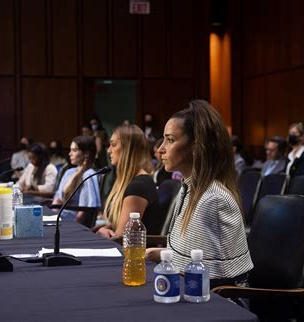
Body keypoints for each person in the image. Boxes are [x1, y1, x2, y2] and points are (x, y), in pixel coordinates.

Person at [146, 100, 253, 287]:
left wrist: (162, 257)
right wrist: (159, 254)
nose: (160, 149)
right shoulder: (188, 188)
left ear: (196, 147)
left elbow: (211, 276)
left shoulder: (213, 199)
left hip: (220, 303)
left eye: (170, 140)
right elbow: (191, 255)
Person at [97, 124, 159, 238]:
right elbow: (117, 224)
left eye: (114, 145)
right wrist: (105, 228)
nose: (109, 150)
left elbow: (121, 239)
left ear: (128, 149)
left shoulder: (138, 187)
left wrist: (101, 234)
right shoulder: (131, 181)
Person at [52, 136, 101, 222]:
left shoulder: (88, 175)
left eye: (74, 150)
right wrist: (52, 218)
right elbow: (57, 199)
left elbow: (84, 210)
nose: (70, 154)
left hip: (72, 222)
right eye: (70, 150)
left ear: (86, 154)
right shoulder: (69, 172)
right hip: (59, 217)